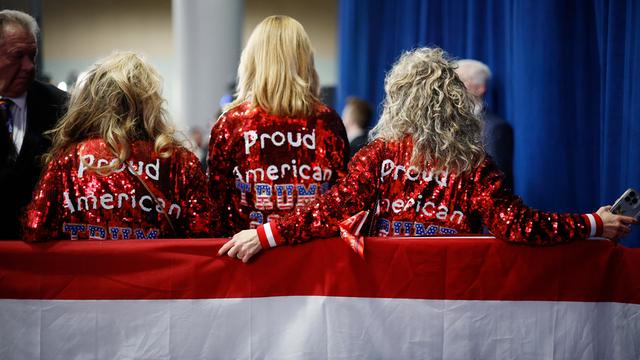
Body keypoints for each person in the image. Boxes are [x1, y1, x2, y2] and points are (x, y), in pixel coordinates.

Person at [219, 47, 637, 262]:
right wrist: (593, 223)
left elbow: (330, 209)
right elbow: (519, 225)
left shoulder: (378, 155)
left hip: (384, 297)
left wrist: (265, 234)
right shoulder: (474, 165)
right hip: (453, 297)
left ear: (398, 100)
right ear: (454, 100)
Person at [22, 52, 212, 240]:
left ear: (92, 101)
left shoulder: (67, 160)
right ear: (150, 103)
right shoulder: (179, 161)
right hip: (158, 270)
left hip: (85, 269)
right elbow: (204, 230)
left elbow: (35, 228)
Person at [207, 15, 349, 237]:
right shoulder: (328, 122)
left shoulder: (232, 123)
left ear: (252, 61)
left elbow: (216, 208)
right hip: (314, 256)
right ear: (305, 61)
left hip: (248, 258)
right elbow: (340, 203)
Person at [0, 10, 68, 239]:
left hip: (43, 248)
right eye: (18, 55)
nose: (29, 66)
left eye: (32, 55)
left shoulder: (61, 106)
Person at [455, 59, 514, 188]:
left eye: (460, 82)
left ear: (480, 88)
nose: (453, 89)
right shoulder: (446, 124)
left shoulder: (496, 129)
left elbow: (497, 184)